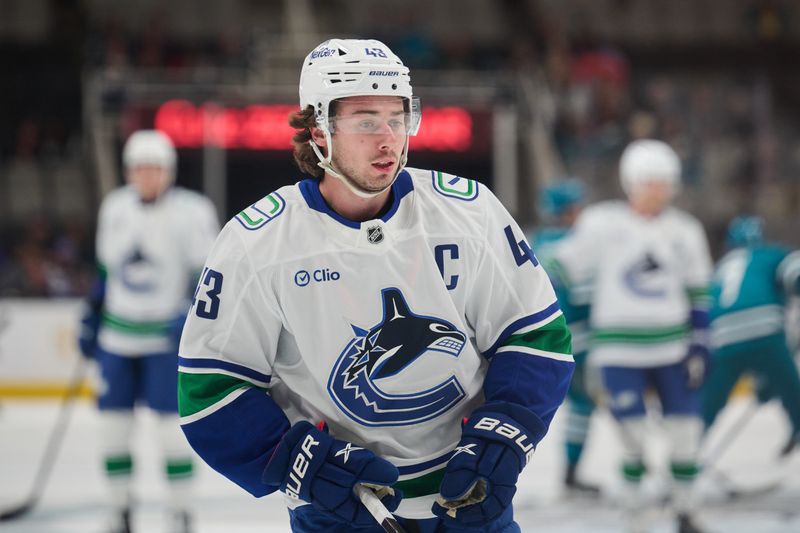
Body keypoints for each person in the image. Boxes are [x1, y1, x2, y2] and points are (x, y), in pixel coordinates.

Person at [177, 38, 574, 533]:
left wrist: (504, 437)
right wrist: (303, 464)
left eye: (397, 117)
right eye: (366, 121)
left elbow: (535, 336)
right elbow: (210, 388)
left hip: (473, 499)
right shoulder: (256, 243)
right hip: (341, 517)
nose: (388, 138)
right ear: (318, 129)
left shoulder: (470, 212)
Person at [551, 139, 713, 533]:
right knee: (634, 441)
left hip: (673, 349)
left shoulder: (685, 230)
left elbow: (697, 293)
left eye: (665, 183)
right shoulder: (603, 225)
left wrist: (701, 342)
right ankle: (636, 518)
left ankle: (686, 510)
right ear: (632, 182)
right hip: (618, 352)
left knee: (685, 436)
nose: (659, 191)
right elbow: (558, 268)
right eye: (651, 182)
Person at [78, 130, 220, 533]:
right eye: (140, 168)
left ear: (169, 171)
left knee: (170, 430)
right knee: (113, 430)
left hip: (165, 339)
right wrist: (92, 311)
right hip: (117, 339)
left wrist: (192, 319)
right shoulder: (116, 207)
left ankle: (179, 512)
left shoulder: (192, 212)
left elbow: (207, 277)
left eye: (155, 168)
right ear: (129, 171)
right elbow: (107, 271)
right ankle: (119, 509)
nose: (147, 176)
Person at [702, 215, 800, 456]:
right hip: (765, 330)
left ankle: (684, 460)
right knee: (791, 389)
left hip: (721, 337)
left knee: (708, 403)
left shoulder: (721, 267)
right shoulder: (772, 254)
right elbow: (795, 274)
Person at [533, 179, 600, 495]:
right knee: (585, 404)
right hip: (576, 340)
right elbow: (587, 297)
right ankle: (571, 473)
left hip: (537, 340)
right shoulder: (580, 244)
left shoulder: (534, 241)